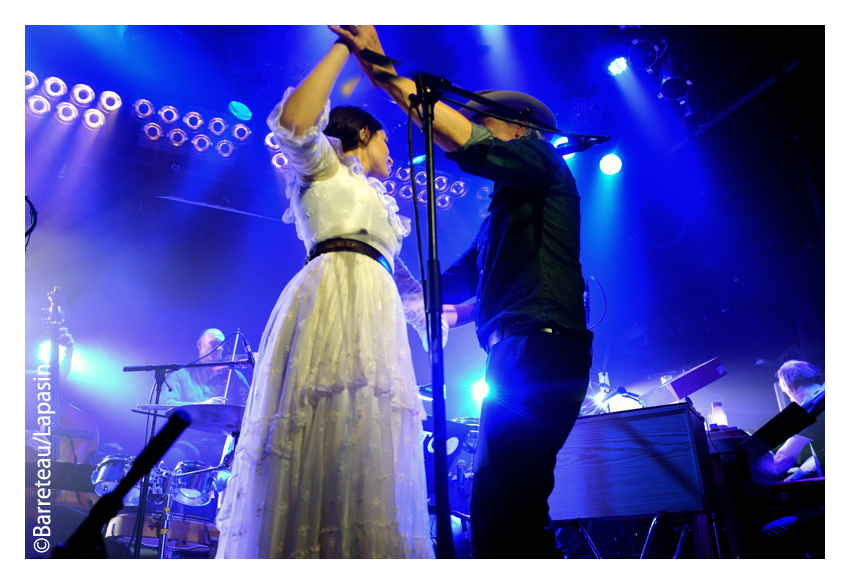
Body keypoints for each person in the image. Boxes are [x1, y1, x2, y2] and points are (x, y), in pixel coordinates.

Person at [341, 25, 593, 558]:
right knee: (501, 502)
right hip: (518, 348)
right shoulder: (505, 206)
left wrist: (385, 72)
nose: (477, 126)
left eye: (486, 122)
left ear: (521, 130)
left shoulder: (545, 164)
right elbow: (454, 279)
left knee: (509, 500)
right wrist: (371, 262)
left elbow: (463, 143)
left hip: (539, 345)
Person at [214, 30, 446, 559]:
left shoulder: (378, 210)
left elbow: (412, 293)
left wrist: (468, 309)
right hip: (333, 299)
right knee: (323, 420)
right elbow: (295, 123)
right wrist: (346, 46)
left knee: (364, 439)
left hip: (374, 313)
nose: (391, 153)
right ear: (364, 133)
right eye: (386, 140)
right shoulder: (328, 169)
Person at [759, 360, 825, 558]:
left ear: (788, 386)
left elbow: (784, 459)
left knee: (773, 530)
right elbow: (822, 455)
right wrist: (796, 476)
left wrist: (759, 475)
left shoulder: (810, 405)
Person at [161, 328, 250, 468]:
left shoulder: (234, 375)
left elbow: (251, 406)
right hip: (188, 440)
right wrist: (202, 404)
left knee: (229, 463)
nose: (220, 348)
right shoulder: (180, 374)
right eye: (214, 343)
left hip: (220, 442)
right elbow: (167, 403)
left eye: (222, 345)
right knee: (173, 457)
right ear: (199, 345)